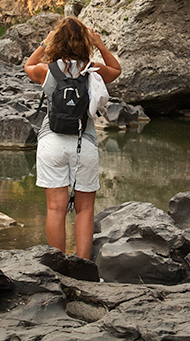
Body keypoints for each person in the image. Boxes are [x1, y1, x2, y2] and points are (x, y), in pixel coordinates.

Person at [24, 16, 121, 259]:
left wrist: (44, 45)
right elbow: (117, 70)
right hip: (83, 143)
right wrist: (99, 44)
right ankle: (83, 265)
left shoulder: (48, 70)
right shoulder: (93, 70)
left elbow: (28, 66)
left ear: (57, 41)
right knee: (85, 208)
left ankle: (58, 267)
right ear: (84, 42)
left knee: (55, 208)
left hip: (51, 142)